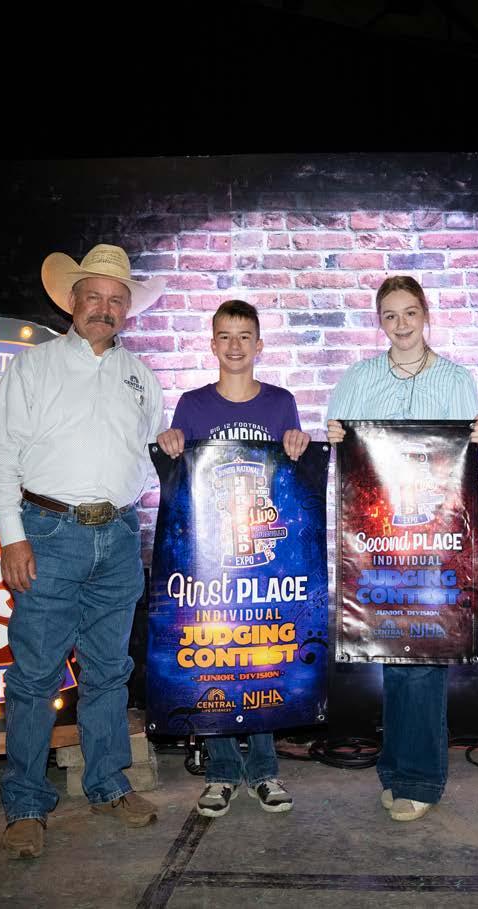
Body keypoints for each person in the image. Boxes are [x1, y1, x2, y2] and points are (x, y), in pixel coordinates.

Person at [0, 243, 165, 859]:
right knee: (35, 675)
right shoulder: (33, 369)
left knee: (110, 670)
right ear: (72, 301)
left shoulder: (141, 377)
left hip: (119, 534)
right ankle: (26, 805)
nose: (104, 309)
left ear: (126, 311)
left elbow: (150, 452)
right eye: (94, 297)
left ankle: (108, 784)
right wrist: (12, 536)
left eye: (116, 300)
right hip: (48, 533)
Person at [326, 275, 478, 822]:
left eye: (410, 312)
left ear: (426, 315)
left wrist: (476, 439)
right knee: (392, 655)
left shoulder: (457, 380)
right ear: (380, 321)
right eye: (390, 315)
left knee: (424, 659)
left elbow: (463, 464)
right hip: (379, 542)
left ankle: (420, 779)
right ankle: (396, 770)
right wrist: (335, 439)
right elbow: (346, 459)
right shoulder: (357, 379)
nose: (401, 324)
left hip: (435, 543)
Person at [156, 299, 310, 817]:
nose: (235, 345)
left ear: (259, 345)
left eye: (245, 336)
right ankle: (221, 772)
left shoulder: (281, 403)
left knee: (264, 656)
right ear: (212, 344)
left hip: (267, 559)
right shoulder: (193, 405)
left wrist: (297, 443)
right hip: (210, 560)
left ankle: (265, 771)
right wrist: (171, 442)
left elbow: (291, 479)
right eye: (225, 336)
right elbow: (179, 479)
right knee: (217, 653)